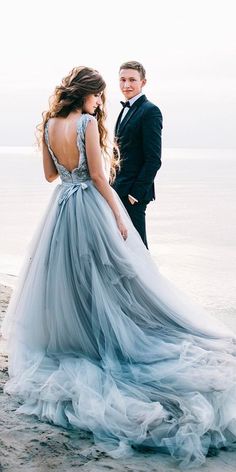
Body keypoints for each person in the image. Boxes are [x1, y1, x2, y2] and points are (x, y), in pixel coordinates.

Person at [2, 66, 236, 470]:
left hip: (60, 209)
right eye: (99, 95)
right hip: (89, 206)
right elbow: (97, 176)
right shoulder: (87, 122)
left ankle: (79, 339)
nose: (100, 102)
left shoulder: (49, 123)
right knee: (107, 281)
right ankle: (104, 340)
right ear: (88, 94)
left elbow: (49, 175)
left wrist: (69, 173)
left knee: (70, 283)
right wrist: (118, 216)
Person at [112, 61, 162, 248]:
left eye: (132, 80)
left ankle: (147, 279)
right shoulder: (124, 110)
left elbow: (154, 159)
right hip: (118, 189)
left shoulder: (150, 111)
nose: (127, 85)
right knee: (123, 247)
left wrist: (136, 193)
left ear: (143, 82)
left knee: (139, 247)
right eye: (122, 80)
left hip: (133, 195)